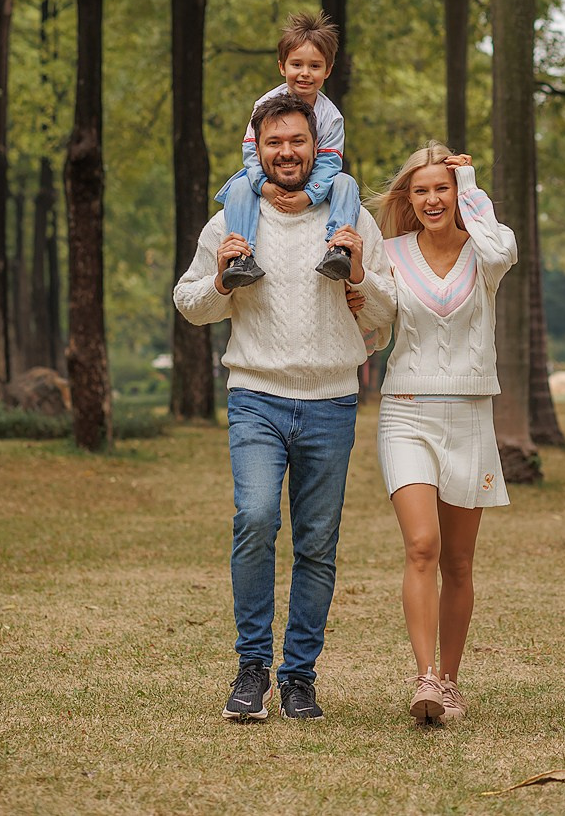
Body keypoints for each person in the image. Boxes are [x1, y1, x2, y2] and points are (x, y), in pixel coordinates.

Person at [173, 92, 396, 723]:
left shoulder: (350, 221)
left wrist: (357, 274)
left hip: (331, 402)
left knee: (318, 544)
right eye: (274, 143)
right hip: (257, 398)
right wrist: (219, 279)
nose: (286, 153)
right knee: (256, 517)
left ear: (315, 145)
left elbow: (385, 313)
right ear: (258, 147)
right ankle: (252, 669)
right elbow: (189, 302)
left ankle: (299, 677)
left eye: (297, 141)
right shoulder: (232, 221)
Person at [369, 144, 516, 725]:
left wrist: (471, 181)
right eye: (421, 190)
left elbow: (502, 244)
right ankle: (425, 677)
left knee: (458, 560)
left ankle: (452, 682)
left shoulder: (485, 254)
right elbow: (375, 325)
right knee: (422, 545)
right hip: (406, 411)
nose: (432, 200)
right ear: (408, 198)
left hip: (470, 414)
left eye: (443, 189)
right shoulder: (390, 253)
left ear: (457, 195)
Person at [215, 10, 361, 289]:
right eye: (297, 64)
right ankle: (241, 256)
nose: (305, 74)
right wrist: (263, 186)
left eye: (315, 66)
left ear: (328, 70)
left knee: (346, 183)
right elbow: (251, 153)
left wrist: (309, 195)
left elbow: (329, 164)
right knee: (240, 188)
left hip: (314, 181)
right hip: (270, 178)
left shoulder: (331, 117)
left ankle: (338, 249)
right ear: (282, 67)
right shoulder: (265, 105)